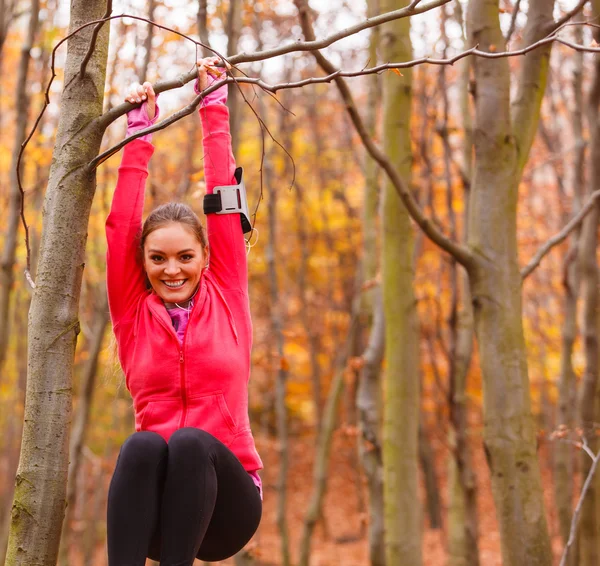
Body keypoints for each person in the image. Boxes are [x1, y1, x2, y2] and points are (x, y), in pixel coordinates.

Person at [105, 57, 263, 566]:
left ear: (204, 258)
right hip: (155, 514)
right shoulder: (133, 311)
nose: (172, 269)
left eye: (184, 257)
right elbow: (120, 226)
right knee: (143, 447)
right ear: (144, 263)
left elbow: (222, 198)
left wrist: (213, 106)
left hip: (228, 507)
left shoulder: (227, 295)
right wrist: (138, 134)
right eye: (157, 258)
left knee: (193, 443)